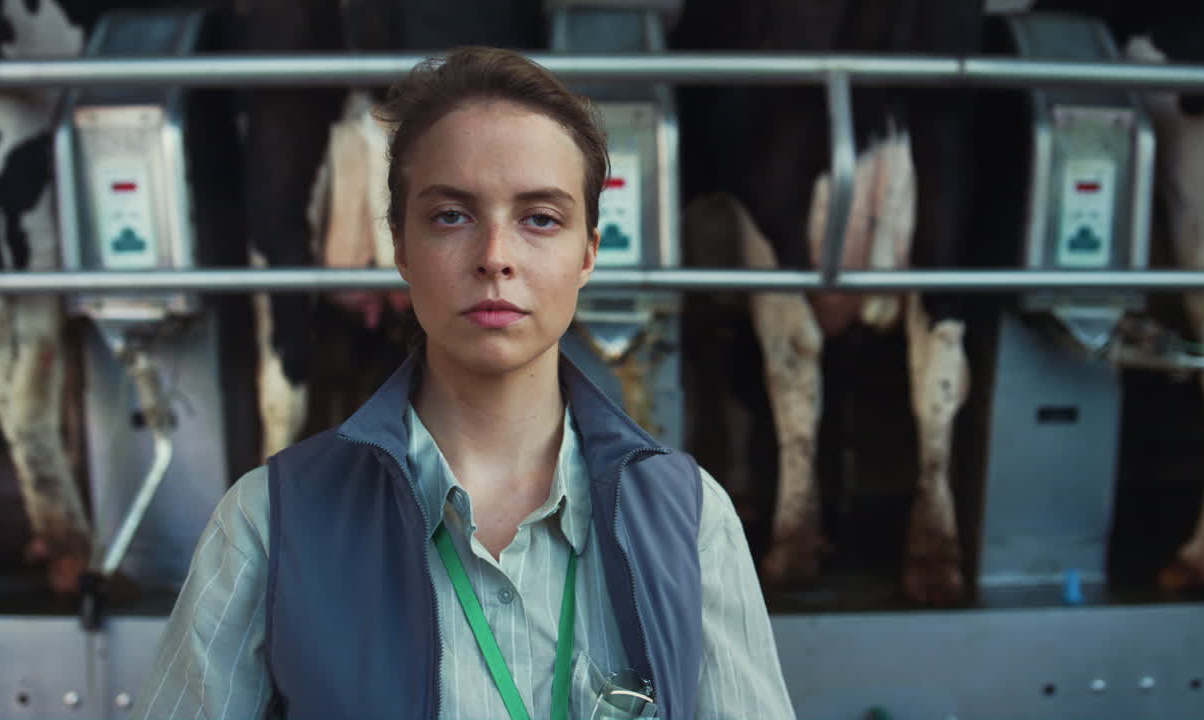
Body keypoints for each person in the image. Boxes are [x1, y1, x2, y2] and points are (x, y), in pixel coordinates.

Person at [132, 46, 795, 720]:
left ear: (590, 252)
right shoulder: (269, 523)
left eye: (541, 218)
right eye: (452, 215)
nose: (495, 258)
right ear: (399, 244)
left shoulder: (688, 519)